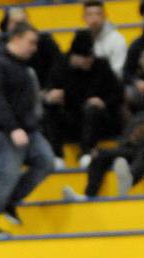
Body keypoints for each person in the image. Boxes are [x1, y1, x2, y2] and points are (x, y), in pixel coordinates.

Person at [0, 20, 54, 233]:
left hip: (26, 129)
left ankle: (9, 199)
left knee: (46, 161)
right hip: (2, 130)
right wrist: (13, 128)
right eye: (31, 42)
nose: (34, 48)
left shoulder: (23, 66)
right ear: (16, 39)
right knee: (8, 173)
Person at [63, 79, 144, 201]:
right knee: (101, 154)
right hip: (138, 150)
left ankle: (129, 179)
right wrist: (133, 139)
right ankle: (87, 196)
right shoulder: (141, 116)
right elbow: (124, 142)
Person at [43, 29, 123, 168]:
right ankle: (56, 155)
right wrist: (51, 96)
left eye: (91, 56)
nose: (89, 61)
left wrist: (103, 102)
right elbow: (49, 91)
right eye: (85, 58)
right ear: (74, 56)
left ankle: (86, 152)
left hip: (98, 120)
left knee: (92, 109)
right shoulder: (60, 67)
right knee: (51, 108)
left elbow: (118, 93)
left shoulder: (101, 66)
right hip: (71, 117)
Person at [82, 0, 127, 78]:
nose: (94, 19)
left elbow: (118, 71)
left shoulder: (117, 39)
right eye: (89, 15)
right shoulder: (81, 41)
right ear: (84, 18)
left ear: (104, 16)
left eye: (98, 14)